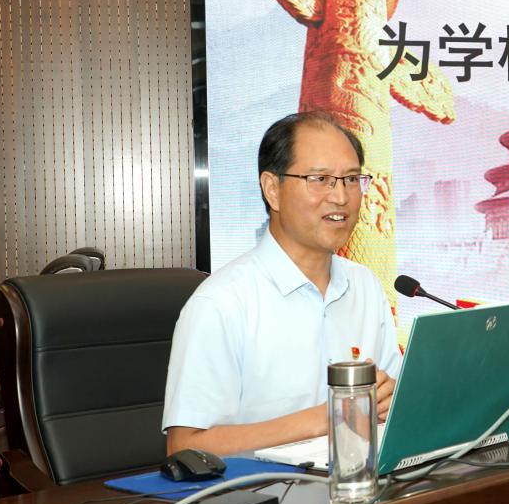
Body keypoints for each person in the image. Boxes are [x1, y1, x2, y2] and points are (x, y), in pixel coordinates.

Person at [162, 112, 400, 455]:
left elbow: (392, 399)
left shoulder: (366, 287)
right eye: (320, 179)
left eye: (351, 179)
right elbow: (185, 447)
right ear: (272, 190)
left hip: (361, 480)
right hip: (264, 487)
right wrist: (327, 418)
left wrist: (390, 400)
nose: (341, 196)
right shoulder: (221, 303)